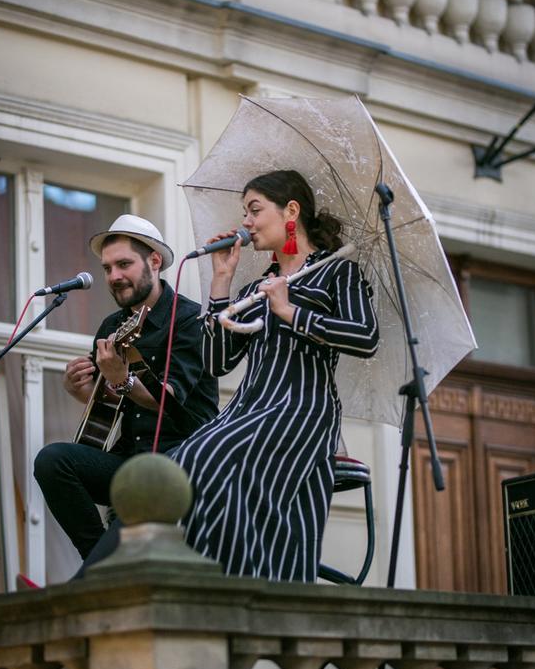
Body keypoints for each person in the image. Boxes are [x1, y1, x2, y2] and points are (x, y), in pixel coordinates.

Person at [170, 169, 379, 582]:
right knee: (180, 467)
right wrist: (221, 284)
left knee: (203, 457)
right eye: (244, 213)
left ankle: (214, 587)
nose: (245, 222)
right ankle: (223, 582)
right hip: (250, 410)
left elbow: (366, 337)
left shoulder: (338, 272)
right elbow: (216, 364)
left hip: (300, 408)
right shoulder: (257, 286)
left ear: (291, 211)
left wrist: (290, 312)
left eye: (254, 209)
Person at [34, 214, 219, 561]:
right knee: (52, 461)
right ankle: (97, 560)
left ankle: (97, 571)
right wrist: (84, 393)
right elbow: (112, 405)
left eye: (123, 264)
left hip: (182, 457)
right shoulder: (112, 325)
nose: (114, 277)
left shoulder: (190, 320)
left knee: (133, 508)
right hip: (131, 457)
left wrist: (122, 378)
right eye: (106, 268)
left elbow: (169, 400)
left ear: (154, 261)